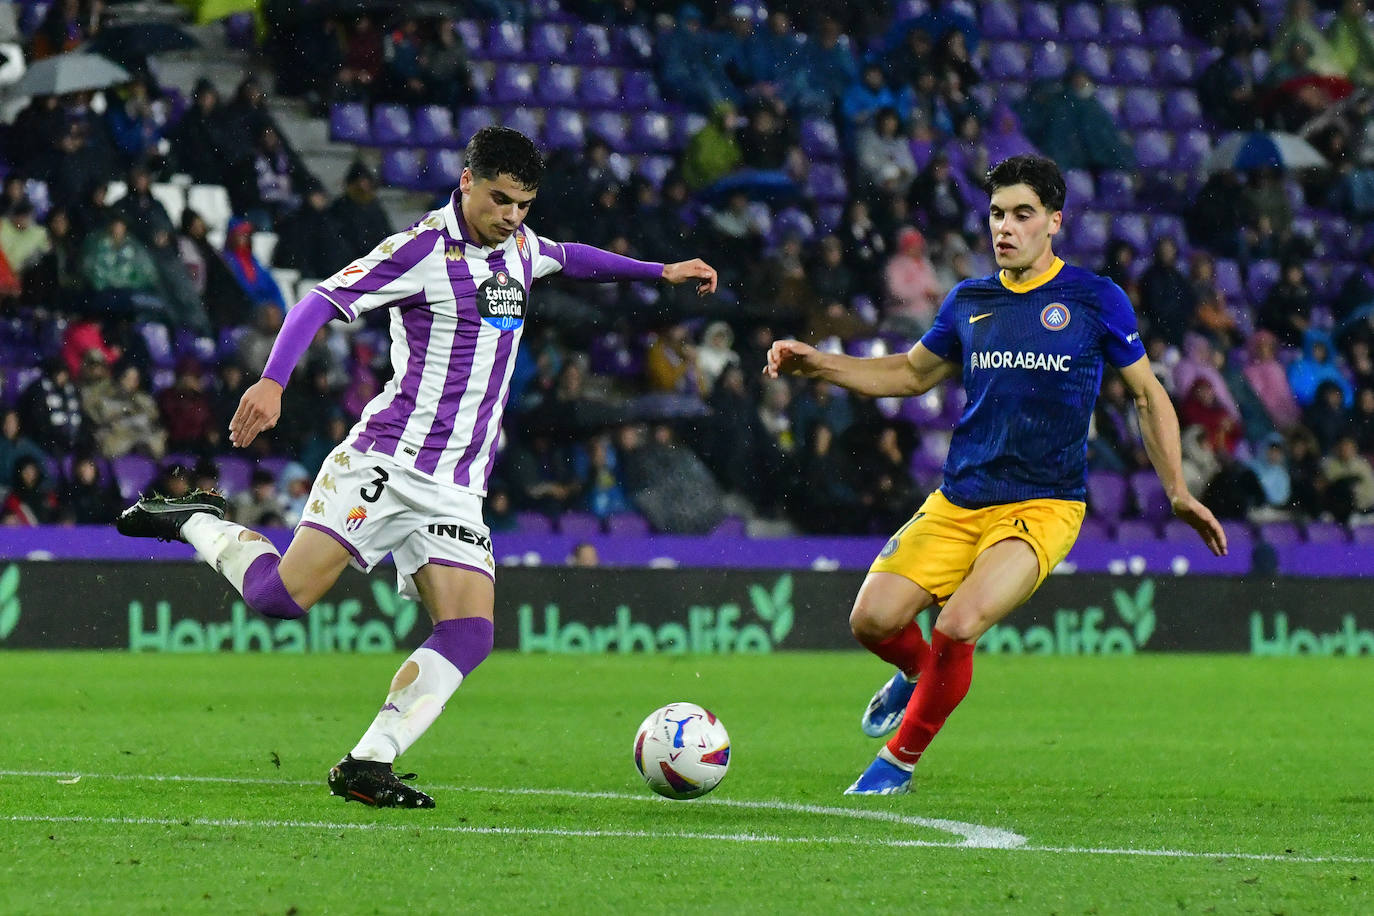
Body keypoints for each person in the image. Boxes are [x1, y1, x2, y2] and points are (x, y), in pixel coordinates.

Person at [116, 127, 717, 809]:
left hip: (457, 489)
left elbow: (571, 259)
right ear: (466, 181)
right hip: (389, 461)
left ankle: (369, 761)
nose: (513, 216)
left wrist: (658, 273)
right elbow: (320, 299)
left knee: (470, 631)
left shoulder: (519, 247)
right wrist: (273, 381)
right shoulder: (422, 249)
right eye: (500, 200)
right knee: (280, 599)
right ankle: (197, 521)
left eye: (524, 203)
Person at [765, 154, 1226, 795]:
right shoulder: (969, 301)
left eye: (1021, 215)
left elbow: (1149, 396)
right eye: (996, 215)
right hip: (960, 499)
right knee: (871, 622)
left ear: (1054, 222)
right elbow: (908, 374)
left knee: (958, 623)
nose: (1004, 228)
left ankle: (894, 765)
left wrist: (1177, 489)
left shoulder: (1095, 301)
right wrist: (818, 364)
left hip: (1043, 506)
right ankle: (915, 677)